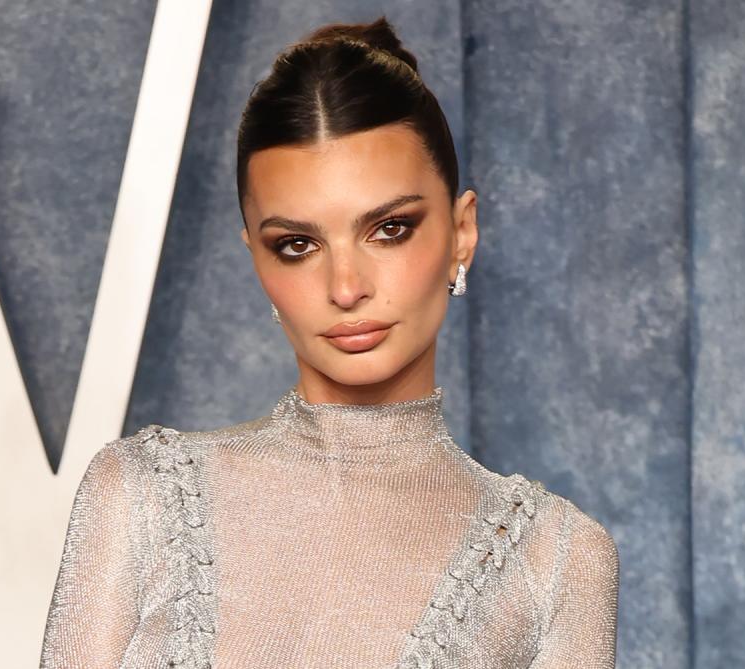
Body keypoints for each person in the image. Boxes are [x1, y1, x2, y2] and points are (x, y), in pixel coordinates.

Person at [40, 16, 618, 668]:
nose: (345, 286)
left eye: (390, 228)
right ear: (257, 258)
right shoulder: (137, 497)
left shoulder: (557, 557)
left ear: (462, 232)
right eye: (297, 244)